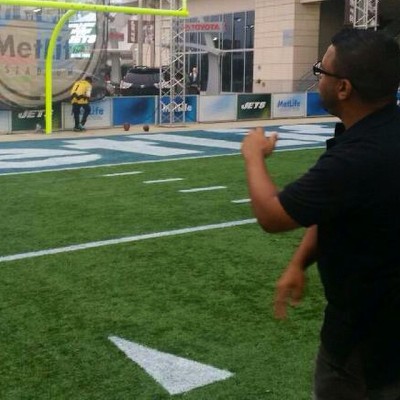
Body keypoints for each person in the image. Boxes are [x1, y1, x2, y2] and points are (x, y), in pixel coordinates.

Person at [241, 28, 400, 400]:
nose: (317, 78)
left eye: (321, 70)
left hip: (367, 338)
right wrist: (300, 261)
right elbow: (344, 211)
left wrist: (252, 154)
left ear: (343, 88)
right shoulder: (381, 134)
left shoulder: (358, 156)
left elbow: (273, 215)